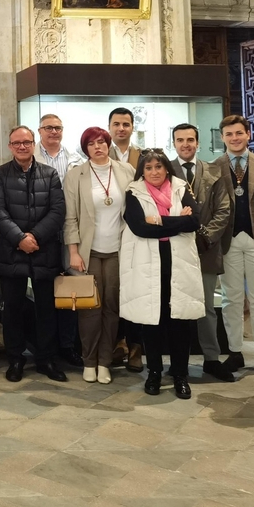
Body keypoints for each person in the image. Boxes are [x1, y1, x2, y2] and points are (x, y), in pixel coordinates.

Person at [120, 150, 203, 399]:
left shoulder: (181, 188)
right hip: (148, 264)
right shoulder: (134, 191)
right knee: (152, 322)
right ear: (142, 171)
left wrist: (157, 220)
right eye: (149, 168)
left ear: (167, 168)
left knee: (180, 322)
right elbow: (140, 227)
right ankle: (154, 372)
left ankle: (180, 375)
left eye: (158, 166)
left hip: (178, 262)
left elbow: (194, 221)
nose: (154, 172)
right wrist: (177, 221)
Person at [0, 126, 67, 383]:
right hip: (11, 250)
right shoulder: (0, 174)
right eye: (16, 143)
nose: (22, 146)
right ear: (10, 146)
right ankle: (15, 358)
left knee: (46, 308)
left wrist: (34, 236)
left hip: (44, 249)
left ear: (34, 144)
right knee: (12, 308)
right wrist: (19, 238)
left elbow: (58, 210)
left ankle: (46, 358)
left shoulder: (50, 173)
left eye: (26, 142)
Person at [63, 127, 133, 384]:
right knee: (89, 309)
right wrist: (73, 251)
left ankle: (105, 362)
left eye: (101, 142)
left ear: (108, 144)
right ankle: (89, 361)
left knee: (112, 307)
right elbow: (70, 217)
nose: (98, 147)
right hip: (88, 251)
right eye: (91, 144)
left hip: (118, 250)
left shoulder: (126, 171)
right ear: (85, 149)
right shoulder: (75, 175)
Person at [214, 114, 254, 380]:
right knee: (230, 299)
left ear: (248, 134)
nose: (235, 138)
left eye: (239, 133)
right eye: (229, 134)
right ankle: (235, 352)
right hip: (227, 240)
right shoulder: (214, 167)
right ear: (222, 137)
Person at [169, 124, 235, 382]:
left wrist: (205, 237)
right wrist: (182, 235)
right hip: (175, 249)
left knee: (206, 307)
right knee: (176, 307)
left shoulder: (213, 171)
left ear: (197, 143)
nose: (185, 144)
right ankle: (178, 362)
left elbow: (224, 210)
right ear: (174, 143)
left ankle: (211, 358)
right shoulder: (165, 171)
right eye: (180, 140)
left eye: (190, 139)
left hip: (206, 249)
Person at [35, 113, 83, 369]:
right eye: (49, 128)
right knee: (44, 294)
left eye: (58, 127)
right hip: (41, 234)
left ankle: (68, 345)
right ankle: (46, 348)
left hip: (70, 233)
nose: (54, 131)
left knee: (71, 292)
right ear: (40, 131)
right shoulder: (31, 156)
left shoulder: (75, 159)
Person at [107, 107, 142, 371]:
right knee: (113, 293)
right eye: (116, 124)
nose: (121, 128)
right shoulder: (99, 152)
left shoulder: (143, 156)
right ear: (109, 127)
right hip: (108, 234)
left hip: (138, 232)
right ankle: (117, 344)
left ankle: (136, 348)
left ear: (132, 127)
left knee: (136, 291)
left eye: (126, 124)